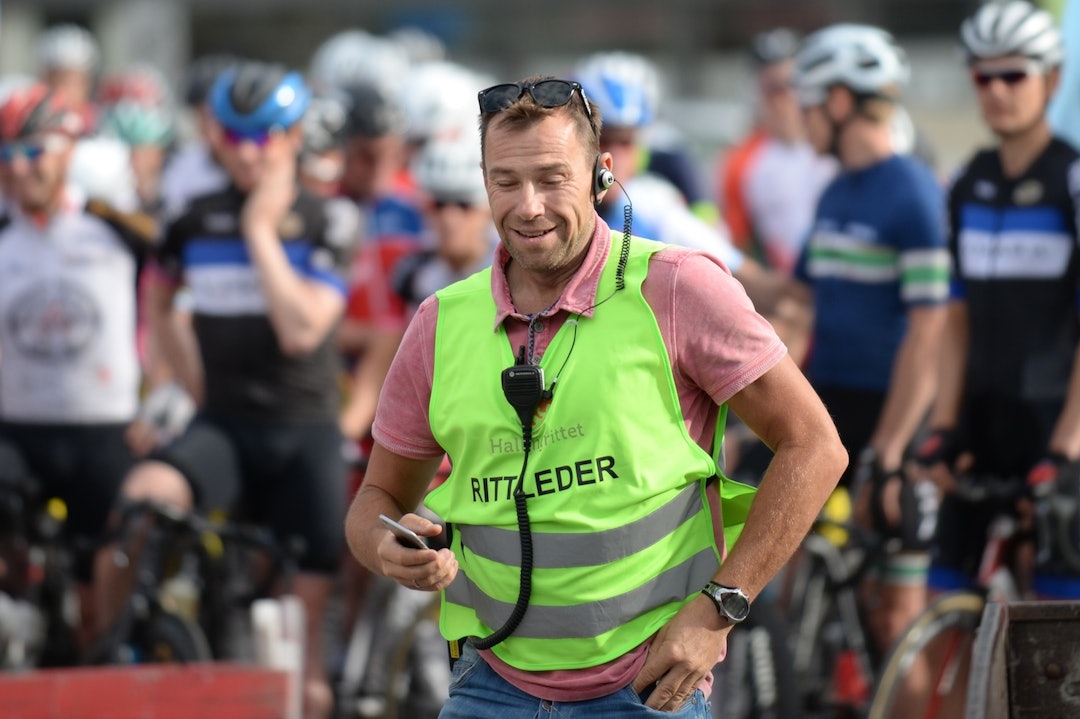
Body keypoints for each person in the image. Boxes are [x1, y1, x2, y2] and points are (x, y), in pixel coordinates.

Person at [344, 74, 847, 717]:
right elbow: (374, 502)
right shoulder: (440, 323)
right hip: (489, 684)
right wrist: (386, 547)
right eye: (506, 182)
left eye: (553, 178)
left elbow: (815, 447)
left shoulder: (676, 288)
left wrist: (720, 608)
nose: (528, 206)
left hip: (645, 690)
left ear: (600, 175)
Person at [97, 61, 353, 719]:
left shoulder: (329, 220)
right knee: (138, 503)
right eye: (232, 136)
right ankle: (107, 657)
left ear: (295, 136)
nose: (246, 152)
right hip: (223, 425)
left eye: (264, 136)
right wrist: (183, 384)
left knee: (306, 664)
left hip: (304, 431)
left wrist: (260, 231)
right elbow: (157, 304)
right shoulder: (191, 220)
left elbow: (300, 330)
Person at [791, 24, 950, 664]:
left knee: (897, 621)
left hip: (893, 415)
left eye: (807, 104)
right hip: (830, 403)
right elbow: (800, 301)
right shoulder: (834, 191)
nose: (801, 121)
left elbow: (929, 331)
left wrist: (889, 448)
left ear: (837, 101)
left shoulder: (911, 190)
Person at [919, 0, 1080, 601]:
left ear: (1053, 80)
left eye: (1014, 75)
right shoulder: (967, 181)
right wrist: (942, 424)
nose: (997, 90)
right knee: (941, 607)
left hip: (1056, 425)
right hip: (982, 424)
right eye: (983, 76)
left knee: (1056, 629)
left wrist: (1066, 450)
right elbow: (956, 317)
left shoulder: (1071, 179)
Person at [0, 84, 162, 655]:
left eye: (33, 153)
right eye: (6, 156)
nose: (19, 171)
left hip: (104, 428)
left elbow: (173, 303)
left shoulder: (116, 228)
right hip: (17, 426)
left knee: (101, 595)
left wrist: (168, 390)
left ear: (68, 152)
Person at [718, 28, 837, 275]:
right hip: (783, 288)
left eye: (790, 85)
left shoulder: (836, 143)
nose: (783, 100)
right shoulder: (740, 162)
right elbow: (738, 245)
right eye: (771, 89)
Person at [36, 24, 100, 135]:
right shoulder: (33, 124)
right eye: (52, 82)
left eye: (67, 82)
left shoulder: (101, 122)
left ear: (87, 84)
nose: (59, 90)